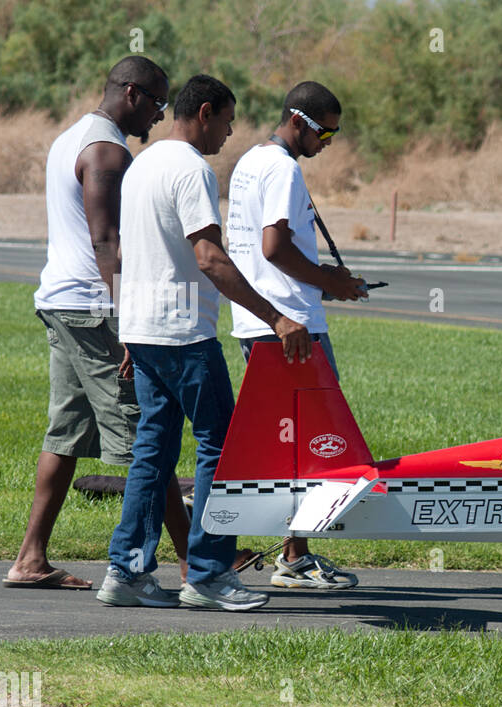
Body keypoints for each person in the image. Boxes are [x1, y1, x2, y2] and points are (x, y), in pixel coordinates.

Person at [99, 74, 312, 611]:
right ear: (206, 112)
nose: (231, 131)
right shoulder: (191, 168)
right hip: (184, 335)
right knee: (222, 448)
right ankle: (209, 576)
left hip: (145, 333)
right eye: (227, 120)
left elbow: (126, 252)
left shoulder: (141, 163)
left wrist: (129, 330)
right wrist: (277, 318)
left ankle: (126, 571)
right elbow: (210, 258)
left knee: (153, 452)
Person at [6, 56, 190, 590]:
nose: (159, 116)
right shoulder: (107, 150)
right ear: (131, 93)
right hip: (94, 309)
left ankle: (29, 559)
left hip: (64, 302)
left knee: (64, 436)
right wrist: (131, 319)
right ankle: (192, 562)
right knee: (144, 435)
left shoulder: (71, 136)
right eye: (156, 102)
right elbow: (105, 240)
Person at [226, 80, 368, 589]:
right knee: (312, 444)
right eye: (324, 135)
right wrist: (330, 281)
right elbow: (274, 249)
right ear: (299, 122)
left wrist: (326, 282)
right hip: (290, 327)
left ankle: (294, 552)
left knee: (291, 444)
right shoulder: (282, 167)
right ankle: (294, 560)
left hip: (262, 322)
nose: (325, 145)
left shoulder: (250, 161)